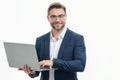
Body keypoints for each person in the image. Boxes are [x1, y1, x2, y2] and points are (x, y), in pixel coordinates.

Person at [19, 2, 86, 80]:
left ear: (66, 17)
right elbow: (37, 70)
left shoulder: (77, 39)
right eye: (53, 16)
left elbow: (80, 65)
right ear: (48, 18)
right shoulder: (40, 40)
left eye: (61, 16)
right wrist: (31, 71)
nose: (57, 20)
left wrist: (54, 63)